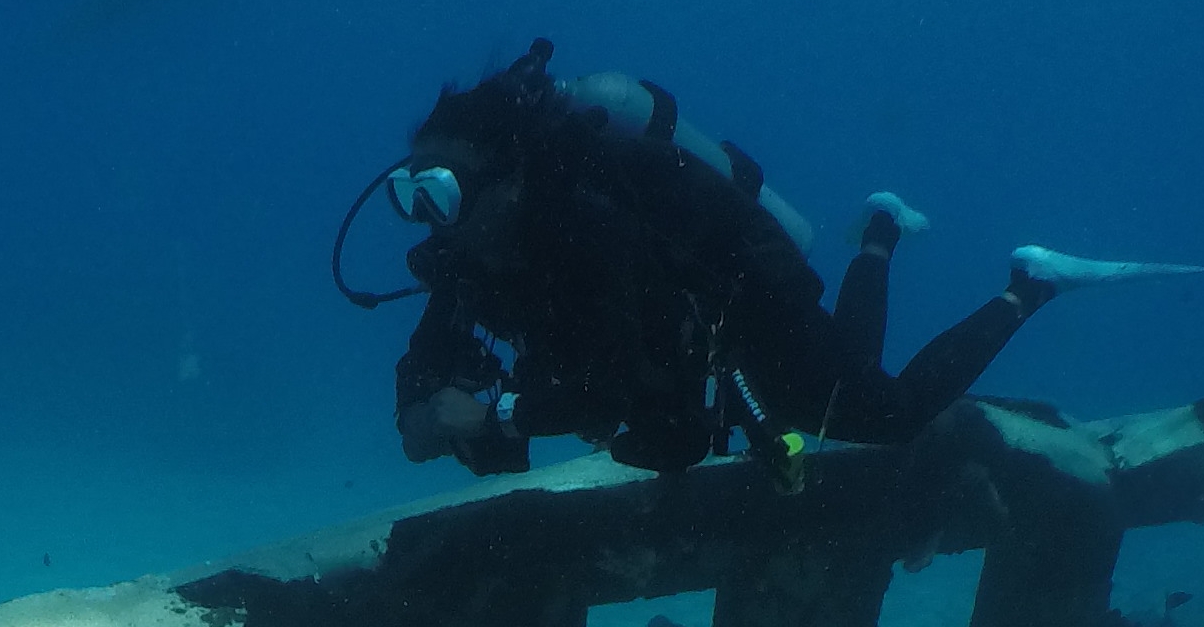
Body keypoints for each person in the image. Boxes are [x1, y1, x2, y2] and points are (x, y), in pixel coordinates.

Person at [342, 38, 1061, 480]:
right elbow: (430, 342)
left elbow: (610, 385)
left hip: (745, 298)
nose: (429, 221)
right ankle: (882, 229)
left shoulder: (589, 229)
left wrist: (496, 415)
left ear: (509, 180)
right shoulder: (477, 245)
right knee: (848, 368)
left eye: (438, 193)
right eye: (410, 197)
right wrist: (416, 409)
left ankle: (1028, 286)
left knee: (887, 414)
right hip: (691, 332)